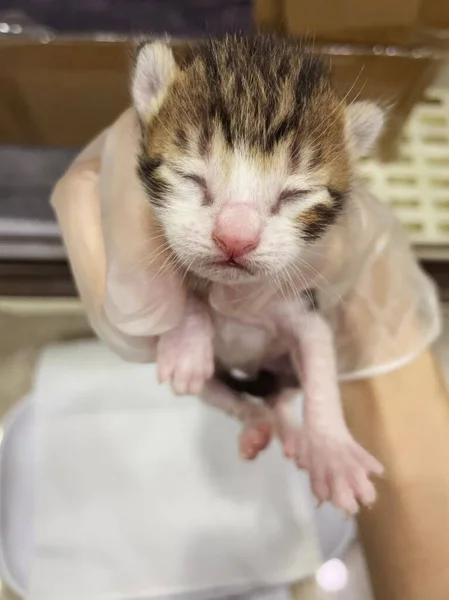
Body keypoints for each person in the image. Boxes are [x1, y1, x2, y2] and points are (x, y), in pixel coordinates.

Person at [53, 107, 449, 600]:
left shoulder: (305, 268)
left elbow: (312, 335)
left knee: (288, 351)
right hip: (231, 366)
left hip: (278, 358)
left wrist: (327, 431)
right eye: (194, 181)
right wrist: (189, 319)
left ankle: (278, 412)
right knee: (192, 371)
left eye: (293, 195)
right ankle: (252, 411)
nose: (236, 237)